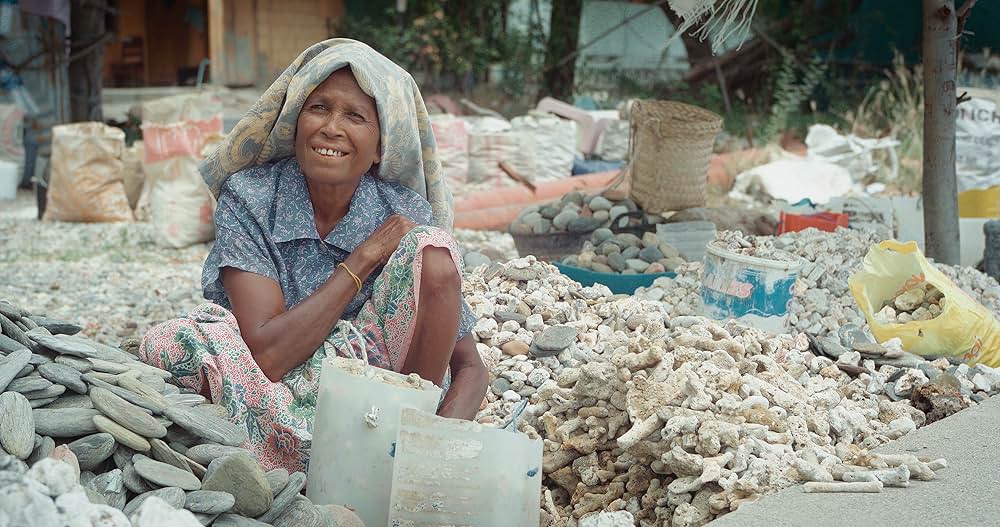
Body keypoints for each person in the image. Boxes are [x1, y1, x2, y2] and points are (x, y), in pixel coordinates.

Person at [139, 38, 488, 474]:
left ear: (381, 147)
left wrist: (428, 455)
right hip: (270, 388)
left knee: (432, 254)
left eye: (356, 116)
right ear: (294, 123)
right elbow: (268, 355)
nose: (331, 128)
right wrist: (363, 260)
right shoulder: (251, 197)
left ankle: (380, 458)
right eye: (319, 108)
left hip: (376, 400)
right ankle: (309, 462)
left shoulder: (403, 214)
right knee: (171, 343)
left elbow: (471, 367)